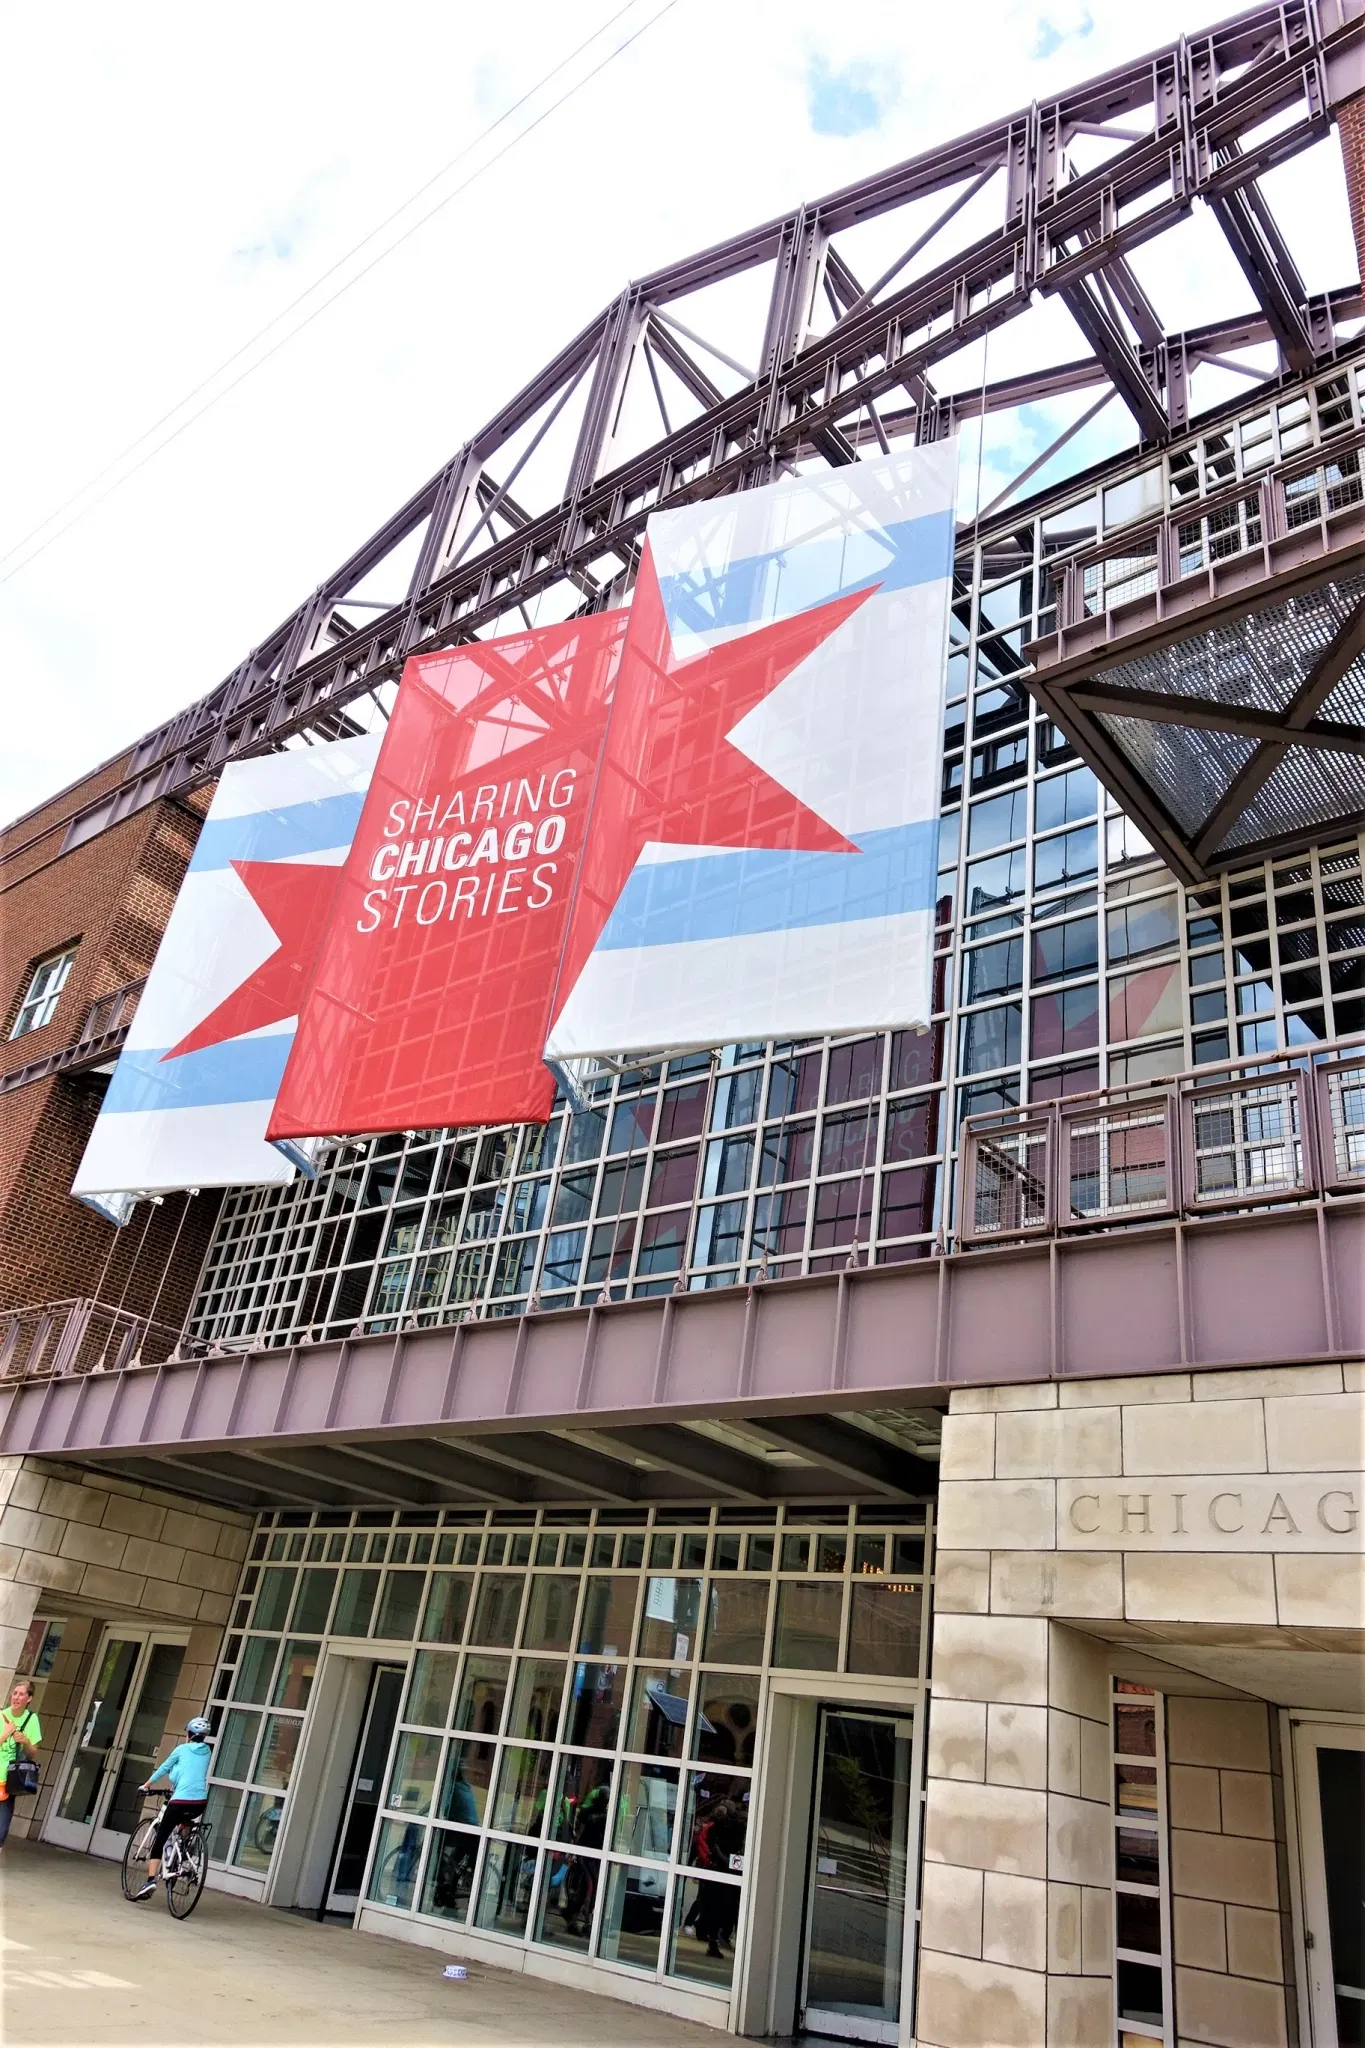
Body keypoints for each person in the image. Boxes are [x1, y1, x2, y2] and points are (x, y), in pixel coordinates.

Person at [132, 1716, 213, 1901]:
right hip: (199, 1802)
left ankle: (151, 1880)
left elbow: (164, 1769)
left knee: (160, 1838)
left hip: (180, 1800)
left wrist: (146, 1785)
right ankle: (183, 1855)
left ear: (190, 1733)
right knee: (182, 1824)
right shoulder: (207, 1751)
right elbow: (187, 1772)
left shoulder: (181, 1749)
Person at [0, 1679, 41, 1854]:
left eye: (21, 1694)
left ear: (29, 1698)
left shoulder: (32, 1719)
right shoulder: (1, 1715)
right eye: (15, 1693)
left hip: (7, 1783)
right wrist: (6, 1734)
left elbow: (33, 1753)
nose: (16, 1697)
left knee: (1, 1831)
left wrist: (25, 1742)